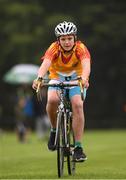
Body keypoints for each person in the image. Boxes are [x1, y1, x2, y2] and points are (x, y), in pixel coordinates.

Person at [32, 21, 91, 162]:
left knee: (77, 104)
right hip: (57, 78)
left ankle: (78, 147)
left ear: (75, 38)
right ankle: (53, 130)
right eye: (63, 39)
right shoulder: (53, 48)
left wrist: (84, 78)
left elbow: (86, 65)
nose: (67, 42)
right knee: (52, 100)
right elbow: (45, 63)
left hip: (76, 79)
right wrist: (39, 77)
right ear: (58, 40)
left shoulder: (81, 48)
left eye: (69, 38)